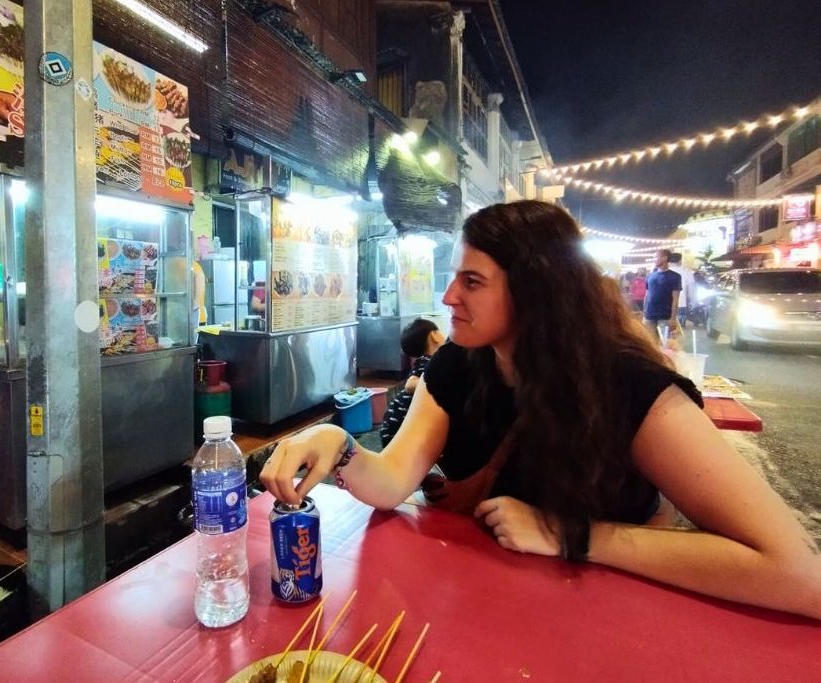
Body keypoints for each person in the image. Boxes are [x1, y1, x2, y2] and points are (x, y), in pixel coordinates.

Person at [260, 200, 821, 620]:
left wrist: (572, 536)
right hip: (491, 612)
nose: (449, 296)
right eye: (455, 277)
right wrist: (338, 444)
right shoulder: (460, 363)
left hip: (619, 625)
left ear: (535, 293)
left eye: (472, 281)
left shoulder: (629, 388)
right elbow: (390, 481)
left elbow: (798, 576)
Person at [379, 318, 445, 446]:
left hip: (397, 428)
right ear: (434, 335)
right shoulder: (427, 361)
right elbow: (410, 385)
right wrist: (439, 382)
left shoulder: (427, 362)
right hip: (397, 431)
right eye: (439, 331)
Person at [643, 249, 681, 342]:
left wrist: (673, 318)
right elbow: (647, 295)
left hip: (665, 316)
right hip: (649, 315)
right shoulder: (650, 276)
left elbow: (675, 299)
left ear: (665, 258)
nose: (654, 259)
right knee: (650, 343)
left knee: (665, 344)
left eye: (656, 257)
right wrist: (644, 312)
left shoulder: (675, 276)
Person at [668, 252, 696, 327]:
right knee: (679, 329)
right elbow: (691, 291)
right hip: (681, 304)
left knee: (666, 329)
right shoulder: (687, 273)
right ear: (680, 261)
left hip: (665, 305)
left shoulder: (663, 272)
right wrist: (692, 302)